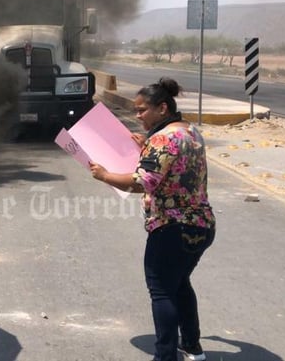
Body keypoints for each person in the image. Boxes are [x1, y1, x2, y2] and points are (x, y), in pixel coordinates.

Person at [88, 77, 215, 361]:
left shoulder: (163, 139)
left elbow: (141, 182)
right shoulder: (191, 132)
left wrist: (104, 175)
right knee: (180, 284)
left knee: (161, 292)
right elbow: (176, 162)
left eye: (142, 110)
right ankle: (193, 347)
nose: (138, 115)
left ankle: (165, 356)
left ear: (163, 108)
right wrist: (147, 145)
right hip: (202, 225)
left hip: (172, 228)